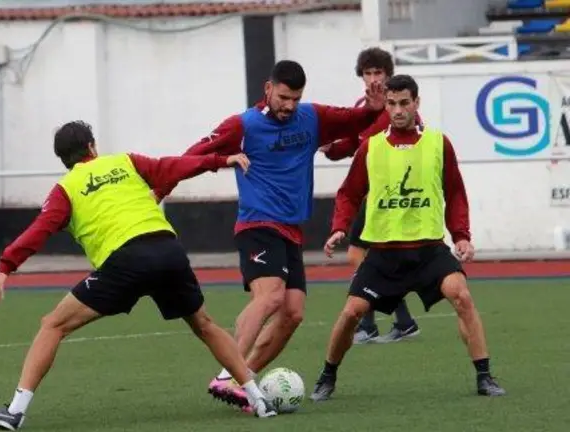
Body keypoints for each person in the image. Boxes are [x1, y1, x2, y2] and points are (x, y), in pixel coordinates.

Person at [0, 121, 278, 431]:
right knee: (204, 324)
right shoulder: (125, 161)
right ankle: (258, 398)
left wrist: (4, 267)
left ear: (63, 159)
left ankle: (15, 412)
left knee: (53, 324)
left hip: (126, 261)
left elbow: (38, 232)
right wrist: (219, 161)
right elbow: (171, 167)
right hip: (168, 250)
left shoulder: (65, 189)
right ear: (92, 146)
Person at [152, 60, 386, 411]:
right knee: (271, 296)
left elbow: (356, 121)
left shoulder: (312, 118)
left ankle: (242, 379)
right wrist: (164, 184)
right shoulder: (242, 125)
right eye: (283, 97)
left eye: (295, 98)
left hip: (291, 231)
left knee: (293, 313)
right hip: (257, 224)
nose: (288, 105)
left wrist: (373, 107)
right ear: (268, 89)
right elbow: (194, 155)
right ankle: (229, 375)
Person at [309, 74, 506, 402]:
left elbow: (455, 191)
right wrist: (339, 227)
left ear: (416, 103)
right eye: (391, 104)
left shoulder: (438, 143)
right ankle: (327, 375)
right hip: (384, 254)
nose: (397, 110)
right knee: (351, 313)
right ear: (385, 105)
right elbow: (348, 193)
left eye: (404, 103)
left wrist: (461, 235)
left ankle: (485, 375)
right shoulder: (371, 147)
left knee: (462, 296)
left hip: (429, 250)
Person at [320, 47, 421, 344]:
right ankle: (396, 322)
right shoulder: (362, 106)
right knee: (369, 258)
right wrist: (332, 148)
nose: (374, 78)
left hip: (391, 194)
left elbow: (371, 139)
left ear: (388, 75)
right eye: (369, 72)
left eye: (379, 72)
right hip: (371, 194)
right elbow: (356, 144)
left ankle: (374, 324)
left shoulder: (396, 109)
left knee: (360, 256)